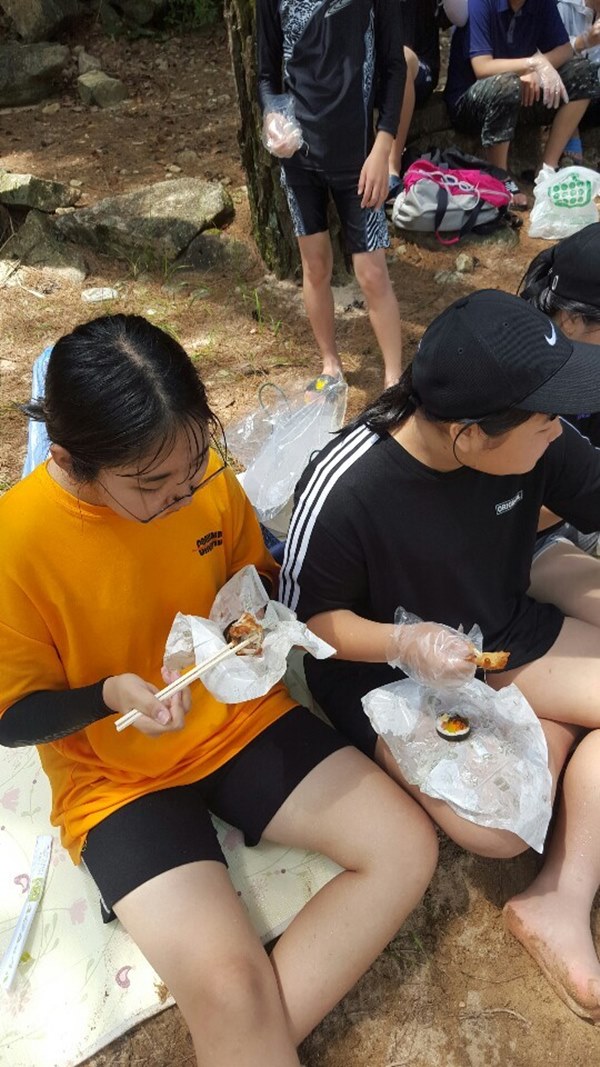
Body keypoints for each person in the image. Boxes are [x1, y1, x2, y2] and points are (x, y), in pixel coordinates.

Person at [0, 315, 438, 1065]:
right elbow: (13, 718)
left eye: (194, 463)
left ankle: (239, 1040)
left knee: (404, 845)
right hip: (116, 779)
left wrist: (255, 619)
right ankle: (239, 1031)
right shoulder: (18, 541)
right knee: (231, 986)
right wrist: (106, 695)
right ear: (71, 461)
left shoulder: (198, 479)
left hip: (238, 717)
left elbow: (253, 576)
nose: (182, 493)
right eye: (151, 486)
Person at [280, 289, 600, 1021]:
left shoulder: (533, 435)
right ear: (469, 436)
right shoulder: (348, 488)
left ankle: (560, 898)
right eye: (546, 421)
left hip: (502, 629)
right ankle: (551, 739)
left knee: (527, 788)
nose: (560, 431)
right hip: (387, 674)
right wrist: (402, 640)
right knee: (497, 832)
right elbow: (307, 625)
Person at [256, 0, 406, 389]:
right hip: (298, 156)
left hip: (361, 157)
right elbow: (266, 75)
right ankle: (330, 364)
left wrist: (383, 147)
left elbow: (395, 66)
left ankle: (394, 380)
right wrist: (272, 116)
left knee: (372, 273)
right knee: (315, 265)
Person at [444, 0, 599, 207]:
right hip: (471, 100)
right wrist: (532, 64)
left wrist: (539, 69)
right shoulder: (481, 3)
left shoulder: (541, 4)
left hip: (521, 94)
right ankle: (500, 176)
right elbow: (482, 67)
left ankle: (547, 169)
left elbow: (564, 49)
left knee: (583, 72)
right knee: (507, 84)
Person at [388, 0, 469, 199]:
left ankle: (392, 165)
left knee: (403, 58)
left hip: (418, 68)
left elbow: (460, 16)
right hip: (376, 71)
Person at [556, 0, 600, 163]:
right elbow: (548, 50)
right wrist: (582, 42)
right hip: (567, 92)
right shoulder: (563, 6)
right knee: (579, 71)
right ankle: (571, 133)